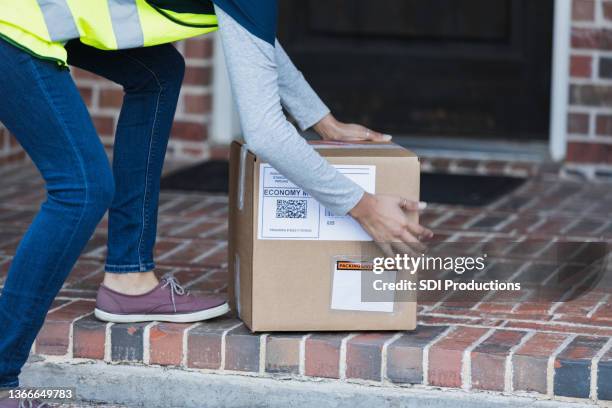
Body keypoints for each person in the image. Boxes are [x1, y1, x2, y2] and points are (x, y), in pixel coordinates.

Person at [0, 1, 432, 405]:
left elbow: (254, 39)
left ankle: (128, 280)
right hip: (12, 25)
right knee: (83, 189)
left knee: (158, 73)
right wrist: (362, 205)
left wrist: (322, 121)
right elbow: (265, 134)